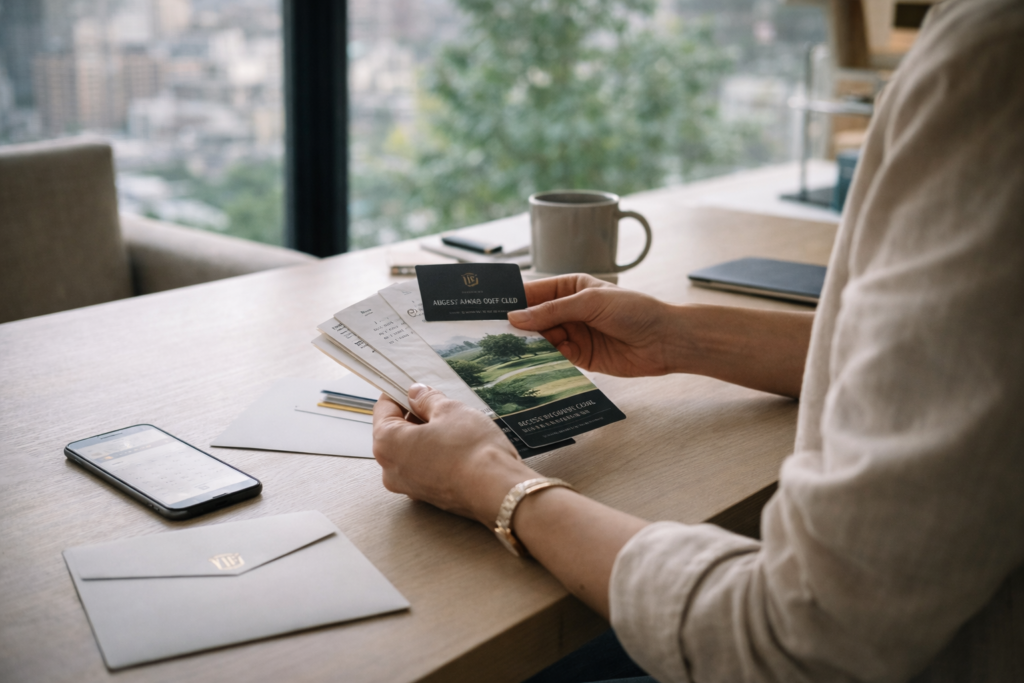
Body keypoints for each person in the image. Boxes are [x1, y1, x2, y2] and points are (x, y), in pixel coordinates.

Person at [372, 0, 1024, 680]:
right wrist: (676, 334)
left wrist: (490, 481)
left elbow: (802, 635)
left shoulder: (993, 61)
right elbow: (951, 363)